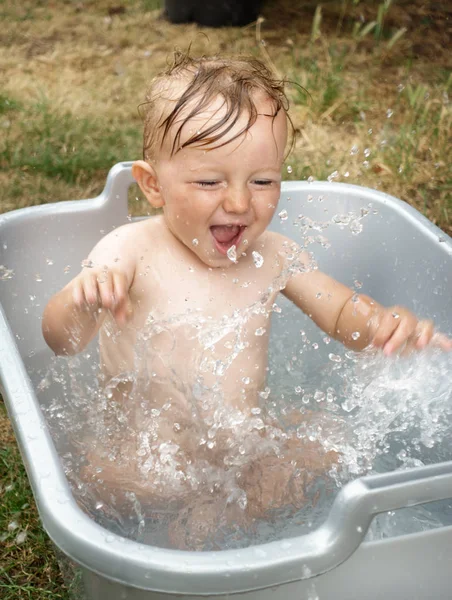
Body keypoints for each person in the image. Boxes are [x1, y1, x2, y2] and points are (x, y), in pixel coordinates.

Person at [41, 53, 451, 549]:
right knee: (97, 481)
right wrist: (82, 299)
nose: (239, 202)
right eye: (210, 182)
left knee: (329, 446)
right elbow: (62, 342)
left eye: (262, 181)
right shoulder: (129, 253)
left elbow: (342, 313)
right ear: (154, 186)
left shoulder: (274, 256)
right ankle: (156, 541)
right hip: (149, 457)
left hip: (240, 447)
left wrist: (384, 326)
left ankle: (213, 523)